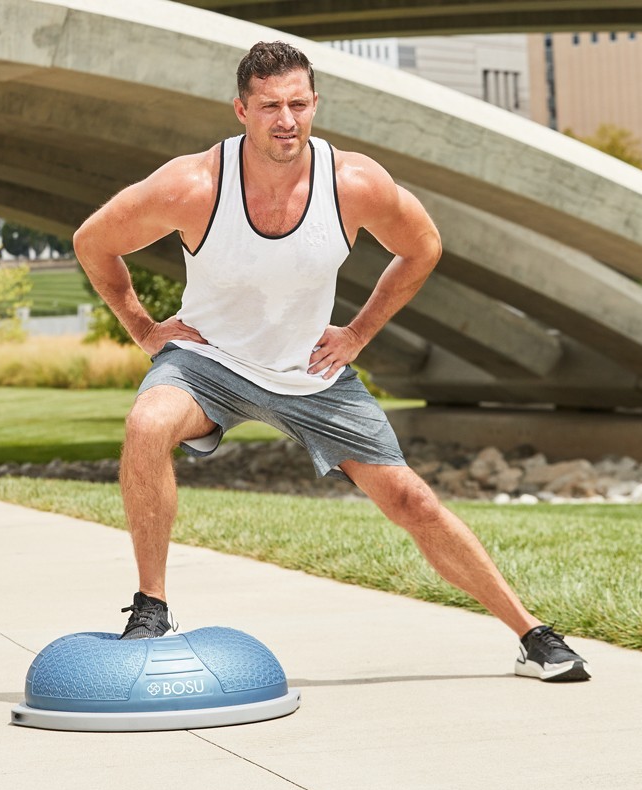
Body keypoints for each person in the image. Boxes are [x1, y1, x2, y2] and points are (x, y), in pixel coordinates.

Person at [73, 41, 590, 682]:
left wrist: (359, 333)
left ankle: (532, 635)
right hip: (207, 364)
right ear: (241, 110)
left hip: (310, 372)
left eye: (297, 103)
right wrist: (145, 330)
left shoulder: (354, 183)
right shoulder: (193, 185)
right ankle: (152, 606)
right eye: (269, 106)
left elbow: (422, 247)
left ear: (315, 104)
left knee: (412, 502)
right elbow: (92, 242)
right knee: (147, 425)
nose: (285, 119)